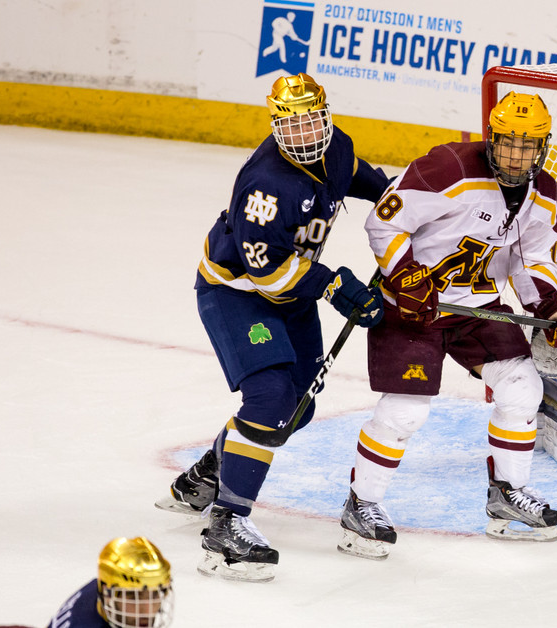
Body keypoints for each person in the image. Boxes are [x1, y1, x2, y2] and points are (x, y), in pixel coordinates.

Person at [335, 92, 557, 560]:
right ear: (492, 139)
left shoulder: (545, 195)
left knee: (522, 387)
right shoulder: (448, 168)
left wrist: (549, 306)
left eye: (528, 146)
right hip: (414, 308)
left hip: (477, 308)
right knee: (405, 412)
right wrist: (405, 275)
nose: (516, 156)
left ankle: (508, 494)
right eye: (508, 143)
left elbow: (533, 260)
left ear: (544, 147)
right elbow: (384, 223)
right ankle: (362, 503)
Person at [154, 72, 389, 582]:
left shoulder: (337, 145)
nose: (305, 134)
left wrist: (395, 200)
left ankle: (210, 472)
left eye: (313, 122)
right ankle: (227, 522)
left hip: (292, 291)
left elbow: (354, 174)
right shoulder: (267, 185)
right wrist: (333, 285)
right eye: (293, 125)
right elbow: (265, 273)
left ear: (326, 116)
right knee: (270, 398)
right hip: (239, 292)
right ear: (277, 127)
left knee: (296, 409)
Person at [48, 537, 173, 628]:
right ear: (107, 595)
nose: (147, 611)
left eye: (154, 595)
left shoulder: (104, 588)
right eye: (134, 598)